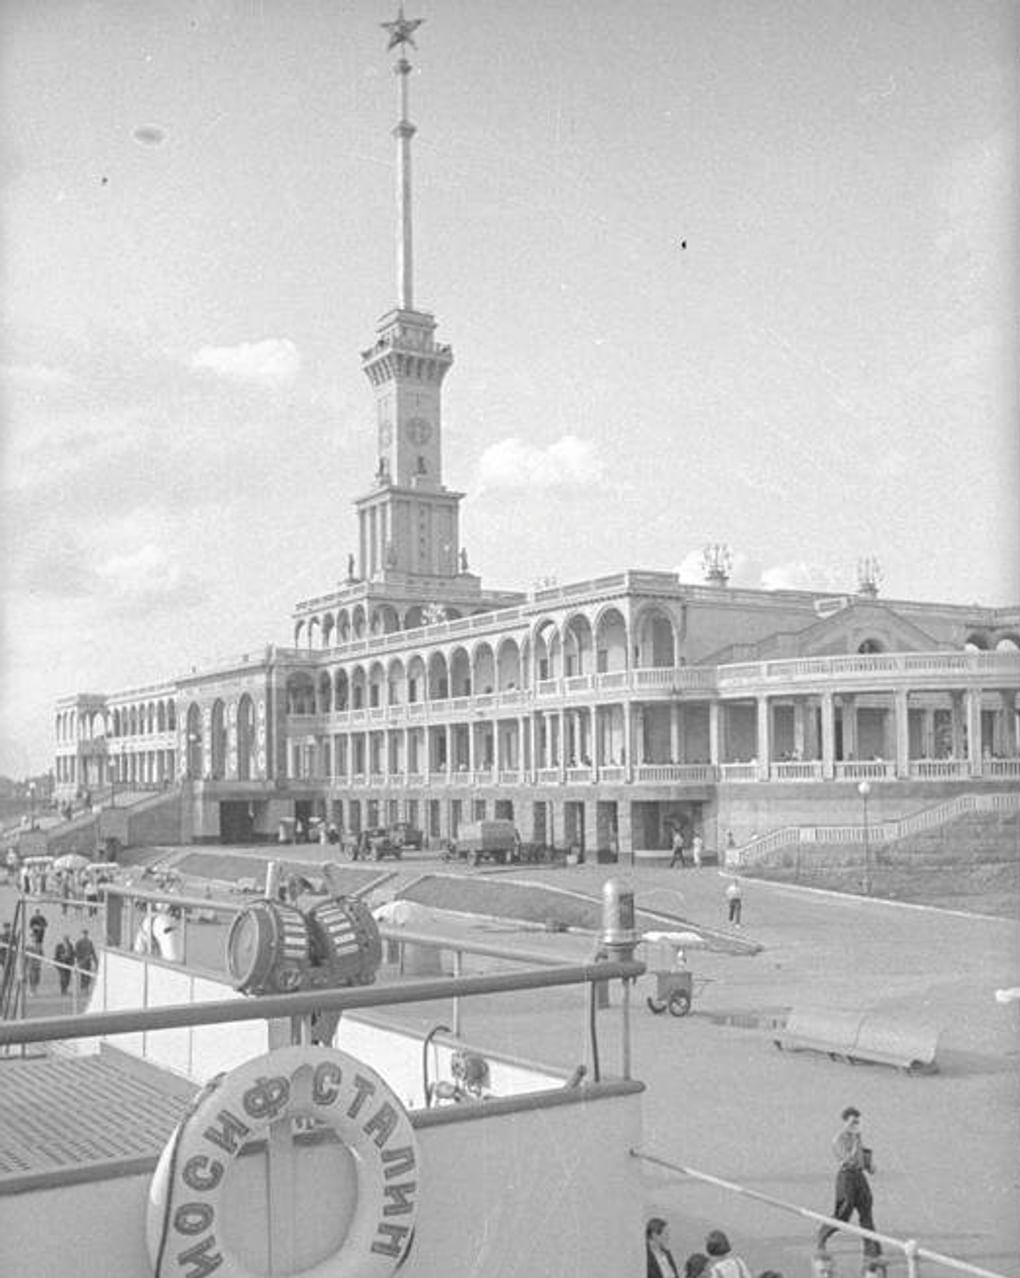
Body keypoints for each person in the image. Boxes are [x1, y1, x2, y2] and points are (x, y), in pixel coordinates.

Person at [816, 1106, 882, 1260]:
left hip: (859, 1176)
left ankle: (871, 1248)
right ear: (845, 1122)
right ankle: (823, 1234)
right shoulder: (839, 1139)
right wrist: (856, 1142)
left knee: (866, 1210)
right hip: (846, 1177)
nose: (855, 1125)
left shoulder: (857, 1138)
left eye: (857, 1122)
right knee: (843, 1213)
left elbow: (861, 1157)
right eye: (852, 1122)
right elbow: (848, 1159)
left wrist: (869, 1164)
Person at [74, 929, 98, 995]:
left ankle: (86, 988)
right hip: (81, 961)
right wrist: (77, 961)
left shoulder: (89, 942)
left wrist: (96, 962)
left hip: (88, 962)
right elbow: (76, 952)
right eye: (84, 934)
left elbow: (92, 952)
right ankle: (83, 988)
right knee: (83, 975)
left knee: (87, 976)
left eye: (86, 934)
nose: (85, 935)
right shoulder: (79, 942)